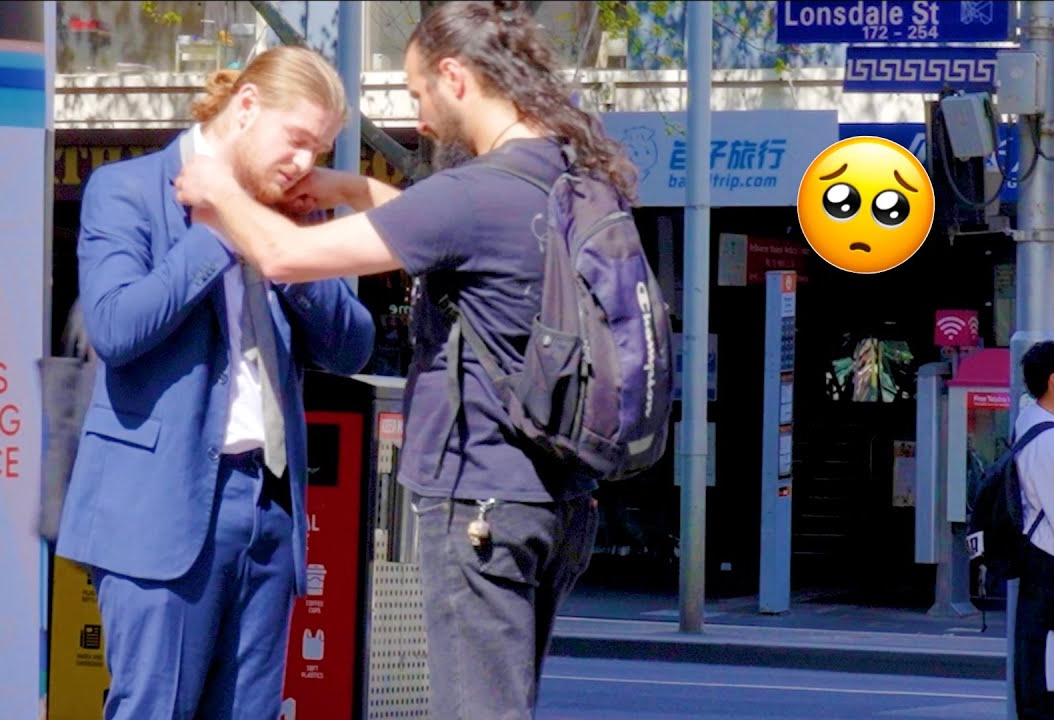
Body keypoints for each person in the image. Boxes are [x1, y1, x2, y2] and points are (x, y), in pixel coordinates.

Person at [175, 2, 637, 716]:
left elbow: (282, 255)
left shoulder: (470, 194)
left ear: (455, 77)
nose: (419, 119)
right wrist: (353, 191)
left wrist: (218, 191)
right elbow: (455, 243)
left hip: (480, 497)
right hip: (560, 499)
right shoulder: (565, 176)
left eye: (419, 93)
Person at [55, 45, 375, 720]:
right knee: (156, 707)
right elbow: (115, 327)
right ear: (248, 108)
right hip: (161, 506)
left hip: (268, 504)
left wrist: (290, 246)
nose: (304, 165)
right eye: (297, 142)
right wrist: (223, 226)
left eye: (318, 150)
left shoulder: (287, 212)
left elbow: (352, 345)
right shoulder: (130, 189)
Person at [1012, 340, 1054, 720]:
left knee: (1042, 677)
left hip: (1040, 568)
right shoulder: (1050, 441)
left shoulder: (1029, 420)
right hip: (1051, 568)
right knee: (1046, 683)